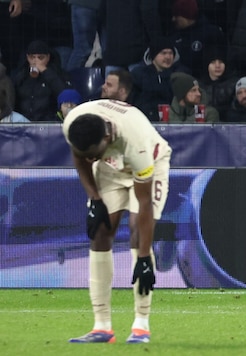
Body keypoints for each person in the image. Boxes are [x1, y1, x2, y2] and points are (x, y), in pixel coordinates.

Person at [63, 99, 171, 344]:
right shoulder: (75, 124)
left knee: (137, 233)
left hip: (150, 165)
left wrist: (144, 258)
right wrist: (95, 199)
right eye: (88, 155)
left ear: (107, 137)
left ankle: (141, 325)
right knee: (100, 232)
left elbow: (144, 204)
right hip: (111, 168)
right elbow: (80, 158)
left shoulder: (136, 141)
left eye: (94, 154)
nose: (91, 160)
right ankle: (101, 327)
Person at [131, 37, 189, 121]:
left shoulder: (179, 74)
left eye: (170, 53)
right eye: (163, 53)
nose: (168, 57)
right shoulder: (139, 74)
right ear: (154, 55)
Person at [13, 39, 69, 121]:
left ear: (48, 58)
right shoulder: (21, 75)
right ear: (27, 58)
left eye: (40, 58)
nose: (36, 61)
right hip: (24, 122)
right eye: (32, 57)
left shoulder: (58, 74)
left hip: (48, 121)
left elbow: (63, 93)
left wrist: (45, 71)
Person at [170, 0, 227, 79]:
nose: (173, 19)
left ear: (186, 16)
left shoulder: (211, 33)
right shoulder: (175, 37)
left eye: (176, 16)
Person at [200, 45, 238, 119]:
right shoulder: (199, 86)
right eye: (213, 62)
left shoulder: (233, 85)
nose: (217, 66)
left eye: (221, 62)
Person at [66, 0, 105, 71]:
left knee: (82, 50)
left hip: (83, 4)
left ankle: (68, 81)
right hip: (107, 6)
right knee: (109, 52)